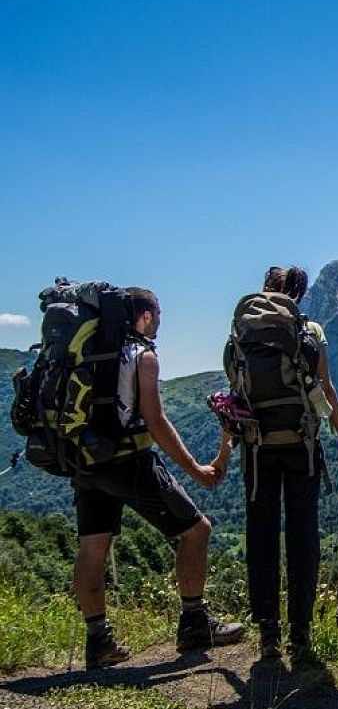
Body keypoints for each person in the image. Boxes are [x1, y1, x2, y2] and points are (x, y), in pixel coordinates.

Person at [75, 287, 245, 670]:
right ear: (146, 316)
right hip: (129, 462)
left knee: (92, 547)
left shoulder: (90, 353)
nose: (160, 324)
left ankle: (98, 640)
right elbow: (155, 420)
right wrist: (196, 470)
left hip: (86, 462)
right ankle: (194, 623)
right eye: (159, 315)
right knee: (197, 530)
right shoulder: (142, 356)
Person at [234, 266, 338, 659]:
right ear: (299, 295)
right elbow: (327, 389)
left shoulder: (241, 330)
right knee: (303, 536)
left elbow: (235, 398)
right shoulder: (310, 332)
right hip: (301, 446)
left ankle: (267, 632)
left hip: (256, 448)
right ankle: (300, 632)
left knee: (262, 534)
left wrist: (225, 452)